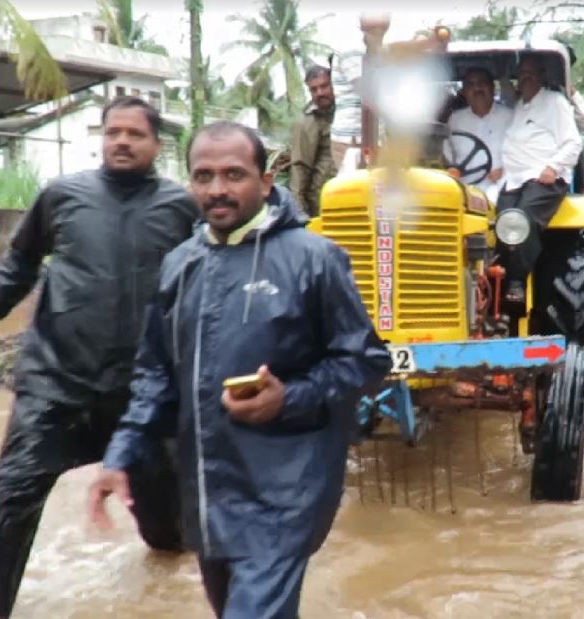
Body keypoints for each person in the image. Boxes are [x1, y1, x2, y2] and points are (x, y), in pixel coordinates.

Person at [88, 121, 392, 619]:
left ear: (266, 181)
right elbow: (154, 375)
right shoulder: (181, 266)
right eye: (203, 176)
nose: (217, 190)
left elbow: (364, 360)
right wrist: (119, 455)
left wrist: (287, 398)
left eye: (234, 174)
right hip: (208, 498)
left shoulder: (315, 259)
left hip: (285, 493)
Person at [0, 96, 195, 619]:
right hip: (56, 384)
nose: (123, 141)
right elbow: (18, 267)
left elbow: (211, 281)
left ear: (157, 144)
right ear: (102, 138)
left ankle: (167, 585)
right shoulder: (62, 196)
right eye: (113, 132)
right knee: (11, 496)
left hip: (143, 395)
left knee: (167, 529)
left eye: (135, 133)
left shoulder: (182, 207)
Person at [497, 54, 583, 304]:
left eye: (531, 72)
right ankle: (493, 284)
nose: (526, 76)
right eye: (522, 72)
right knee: (497, 226)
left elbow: (573, 142)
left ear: (543, 77)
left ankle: (516, 283)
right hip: (514, 180)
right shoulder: (518, 106)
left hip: (545, 178)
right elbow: (504, 91)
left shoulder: (554, 102)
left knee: (523, 221)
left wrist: (553, 168)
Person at [445, 67, 513, 202]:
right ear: (464, 92)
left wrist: (506, 169)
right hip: (464, 187)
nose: (477, 89)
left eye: (482, 83)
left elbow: (523, 151)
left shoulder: (510, 116)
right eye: (471, 85)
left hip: (502, 186)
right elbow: (447, 153)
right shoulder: (455, 119)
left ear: (492, 88)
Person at [290, 65, 337, 217]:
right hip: (322, 202)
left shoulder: (350, 113)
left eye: (324, 86)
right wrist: (300, 214)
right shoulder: (306, 122)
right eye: (314, 89)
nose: (320, 93)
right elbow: (300, 167)